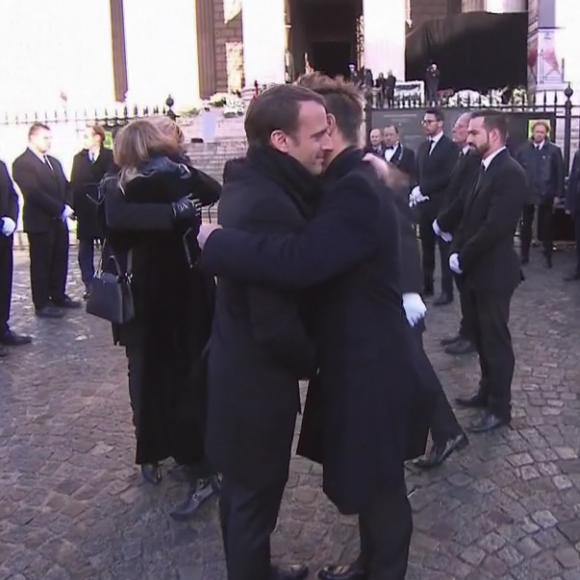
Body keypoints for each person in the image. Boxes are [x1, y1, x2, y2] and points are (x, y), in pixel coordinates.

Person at [199, 76, 429, 580]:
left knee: (382, 482)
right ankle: (370, 565)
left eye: (326, 133)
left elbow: (301, 260)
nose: (323, 144)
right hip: (355, 355)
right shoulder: (344, 182)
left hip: (371, 358)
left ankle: (381, 570)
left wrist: (216, 245)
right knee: (371, 478)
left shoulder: (354, 188)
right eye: (314, 134)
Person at [203, 84, 330, 580]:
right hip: (255, 386)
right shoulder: (269, 204)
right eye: (317, 134)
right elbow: (275, 321)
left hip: (239, 375)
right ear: (281, 140)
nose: (326, 142)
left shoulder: (253, 185)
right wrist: (315, 359)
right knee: (253, 500)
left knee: (242, 501)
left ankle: (253, 568)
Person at [100, 118, 221, 517]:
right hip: (145, 296)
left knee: (184, 375)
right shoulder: (118, 186)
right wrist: (172, 210)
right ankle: (155, 449)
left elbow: (212, 191)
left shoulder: (173, 175)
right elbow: (119, 222)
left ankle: (196, 461)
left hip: (183, 292)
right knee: (151, 376)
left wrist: (183, 171)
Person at [365, 156, 468, 470]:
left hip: (400, 302)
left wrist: (410, 293)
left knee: (413, 369)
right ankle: (440, 432)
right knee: (408, 369)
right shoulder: (388, 202)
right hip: (391, 299)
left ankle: (446, 432)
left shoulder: (390, 208)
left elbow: (405, 246)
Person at [450, 111, 527, 433]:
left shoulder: (509, 172)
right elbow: (469, 217)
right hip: (477, 271)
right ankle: (486, 391)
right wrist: (458, 250)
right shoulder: (484, 167)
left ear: (493, 135)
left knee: (496, 340)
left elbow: (495, 227)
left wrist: (463, 257)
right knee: (482, 337)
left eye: (474, 133)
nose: (469, 138)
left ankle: (500, 407)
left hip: (494, 273)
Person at [12, 123, 81, 318]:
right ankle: (42, 303)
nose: (49, 142)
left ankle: (58, 293)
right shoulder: (22, 163)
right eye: (45, 138)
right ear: (33, 138)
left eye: (50, 138)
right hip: (40, 221)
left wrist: (68, 204)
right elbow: (33, 192)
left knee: (60, 258)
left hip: (59, 220)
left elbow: (66, 186)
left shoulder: (53, 161)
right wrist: (58, 208)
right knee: (41, 263)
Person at [433, 112, 480, 356]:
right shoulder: (462, 156)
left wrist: (443, 222)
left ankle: (470, 335)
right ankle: (465, 331)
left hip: (464, 229)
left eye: (462, 127)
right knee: (463, 286)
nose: (456, 130)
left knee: (468, 286)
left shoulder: (474, 159)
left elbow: (463, 197)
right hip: (454, 227)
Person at [414, 108, 458, 305]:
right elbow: (418, 172)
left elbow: (448, 175)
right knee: (426, 247)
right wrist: (416, 189)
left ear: (440, 123)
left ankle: (447, 291)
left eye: (430, 121)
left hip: (441, 206)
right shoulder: (423, 147)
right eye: (424, 121)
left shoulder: (450, 147)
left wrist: (424, 188)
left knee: (444, 249)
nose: (426, 124)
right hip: (424, 207)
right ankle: (427, 284)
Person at [70, 123, 114, 299]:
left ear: (98, 137)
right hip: (85, 209)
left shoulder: (110, 156)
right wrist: (74, 206)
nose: (84, 140)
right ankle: (89, 284)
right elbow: (74, 183)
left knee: (108, 248)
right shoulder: (78, 158)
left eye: (87, 136)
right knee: (85, 250)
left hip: (104, 208)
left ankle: (107, 281)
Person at [515, 120, 565, 268]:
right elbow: (517, 172)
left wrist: (558, 194)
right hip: (527, 192)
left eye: (542, 132)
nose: (539, 135)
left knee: (547, 226)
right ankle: (524, 255)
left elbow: (559, 173)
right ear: (532, 132)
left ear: (546, 134)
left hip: (546, 192)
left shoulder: (554, 151)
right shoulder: (523, 150)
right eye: (537, 132)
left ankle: (548, 255)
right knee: (525, 226)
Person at [0, 160, 32, 355]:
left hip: (4, 235)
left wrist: (11, 218)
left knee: (4, 283)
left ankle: (2, 328)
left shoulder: (1, 165)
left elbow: (12, 195)